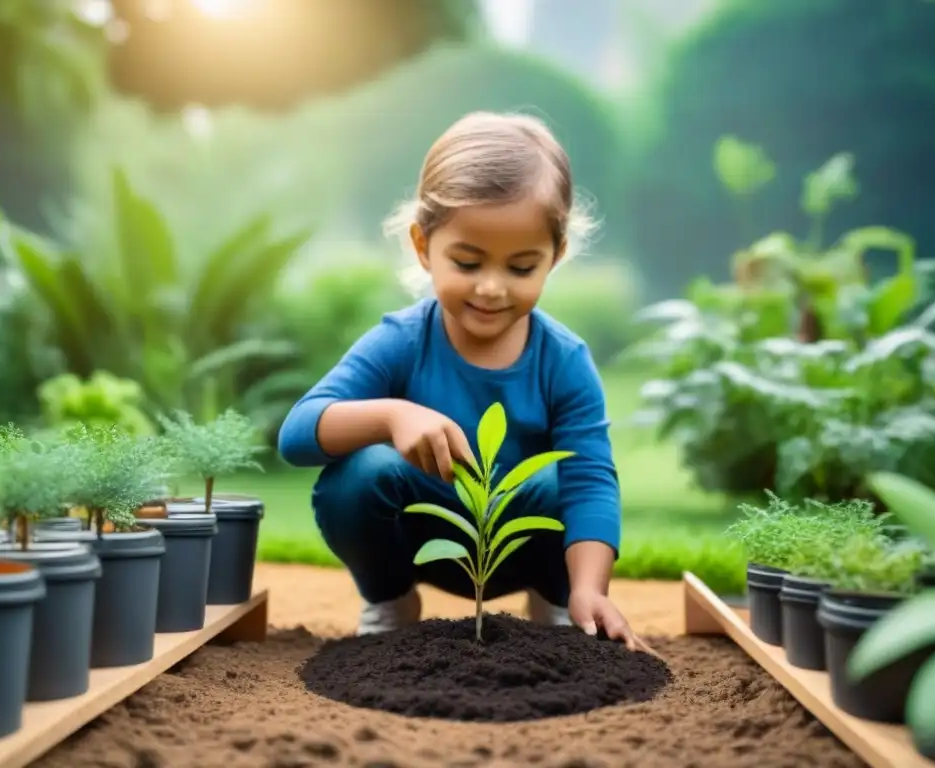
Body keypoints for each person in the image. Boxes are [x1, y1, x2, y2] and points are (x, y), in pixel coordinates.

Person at [277, 110, 657, 655]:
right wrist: (391, 416)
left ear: (557, 256)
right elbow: (296, 435)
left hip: (523, 547)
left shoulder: (564, 360)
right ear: (422, 245)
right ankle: (389, 602)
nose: (491, 287)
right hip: (423, 542)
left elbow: (592, 480)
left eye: (521, 268)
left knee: (560, 480)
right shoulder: (403, 341)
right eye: (468, 261)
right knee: (359, 476)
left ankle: (558, 605)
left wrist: (589, 587)